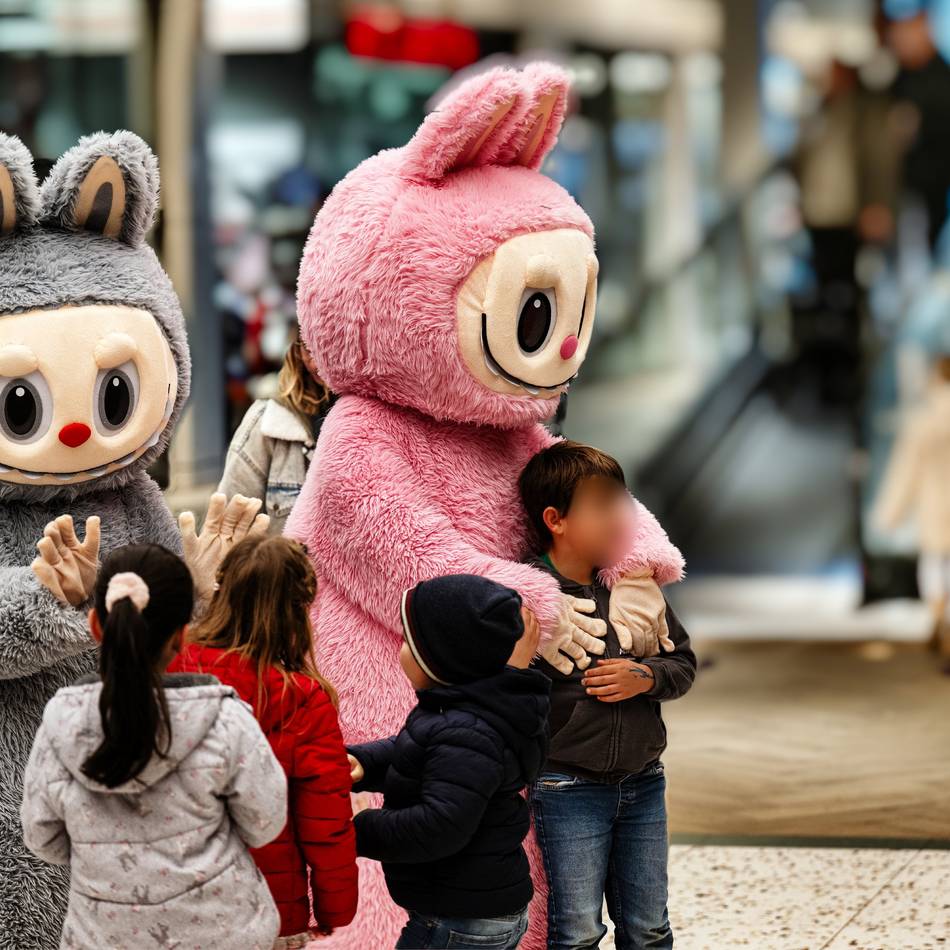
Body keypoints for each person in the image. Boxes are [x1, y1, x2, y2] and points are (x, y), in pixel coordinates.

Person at [20, 544, 287, 950]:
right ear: (182, 636)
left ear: (95, 626)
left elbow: (43, 839)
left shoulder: (61, 726)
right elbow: (265, 823)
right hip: (226, 935)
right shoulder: (225, 720)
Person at [518, 442, 697, 950]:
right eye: (602, 506)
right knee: (576, 931)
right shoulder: (531, 596)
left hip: (644, 782)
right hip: (566, 788)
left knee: (649, 927)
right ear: (556, 519)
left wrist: (644, 676)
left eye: (622, 502)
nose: (621, 517)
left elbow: (682, 663)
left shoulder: (632, 588)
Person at [170, 534, 359, 948]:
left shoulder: (169, 665)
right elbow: (324, 826)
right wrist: (334, 910)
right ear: (298, 611)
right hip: (267, 908)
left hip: (173, 898)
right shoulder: (305, 701)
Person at [346, 574, 549, 950]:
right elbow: (417, 750)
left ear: (444, 658)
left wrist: (359, 829)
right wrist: (364, 763)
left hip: (460, 919)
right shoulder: (466, 713)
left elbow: (438, 826)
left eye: (409, 642)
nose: (400, 649)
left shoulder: (466, 729)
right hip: (473, 904)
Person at [874, 354, 950, 669]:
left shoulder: (924, 418)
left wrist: (890, 512)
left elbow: (906, 470)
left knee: (935, 566)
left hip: (935, 505)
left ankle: (939, 620)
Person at [218, 332, 334, 534]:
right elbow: (228, 532)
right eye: (307, 348)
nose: (314, 364)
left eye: (326, 347)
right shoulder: (267, 423)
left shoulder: (386, 419)